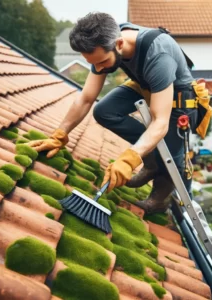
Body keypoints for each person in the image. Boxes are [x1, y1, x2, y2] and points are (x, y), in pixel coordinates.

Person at [28, 12, 199, 214]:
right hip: (144, 84)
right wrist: (59, 134)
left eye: (102, 62)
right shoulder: (103, 40)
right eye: (94, 63)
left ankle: (159, 200)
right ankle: (151, 159)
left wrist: (129, 158)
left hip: (178, 100)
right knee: (104, 111)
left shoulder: (158, 54)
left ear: (119, 45)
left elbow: (160, 122)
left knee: (170, 155)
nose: (98, 68)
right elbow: (86, 98)